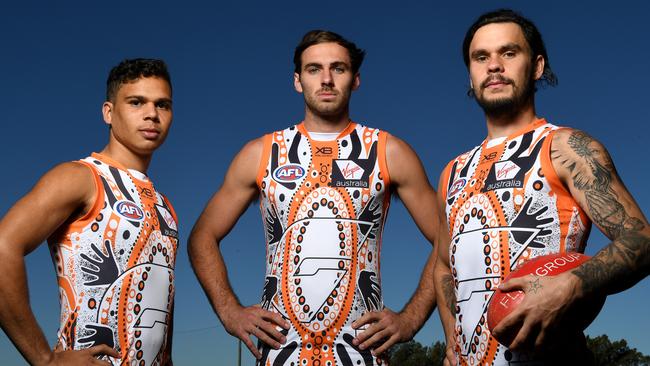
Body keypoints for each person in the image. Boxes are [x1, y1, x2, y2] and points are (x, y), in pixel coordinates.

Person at [188, 30, 440, 365]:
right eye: (313, 69)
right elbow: (202, 236)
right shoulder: (260, 154)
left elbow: (447, 237)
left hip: (361, 352)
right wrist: (229, 311)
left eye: (338, 68)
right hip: (282, 351)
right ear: (297, 80)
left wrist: (410, 318)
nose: (326, 79)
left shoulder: (389, 151)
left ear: (355, 79)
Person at [433, 8, 649, 365]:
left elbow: (641, 241)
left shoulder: (565, 147)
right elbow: (443, 265)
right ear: (471, 75)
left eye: (509, 53)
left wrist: (571, 285)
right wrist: (451, 341)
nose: (494, 66)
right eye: (481, 57)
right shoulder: (452, 172)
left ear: (536, 67)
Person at [0, 58, 178, 365]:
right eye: (137, 102)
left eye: (162, 104)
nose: (152, 114)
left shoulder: (166, 208)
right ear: (109, 112)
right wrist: (45, 359)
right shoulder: (81, 177)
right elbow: (3, 247)